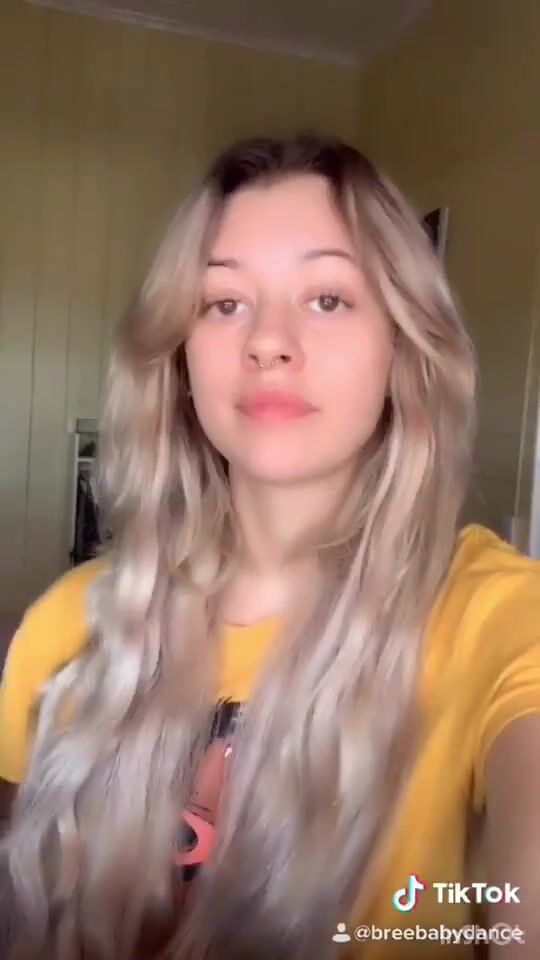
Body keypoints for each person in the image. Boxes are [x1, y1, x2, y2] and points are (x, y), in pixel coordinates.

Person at [0, 135, 539, 960]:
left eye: (327, 298)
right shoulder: (68, 626)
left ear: (403, 346)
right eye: (224, 303)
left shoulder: (499, 617)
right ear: (180, 356)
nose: (268, 342)